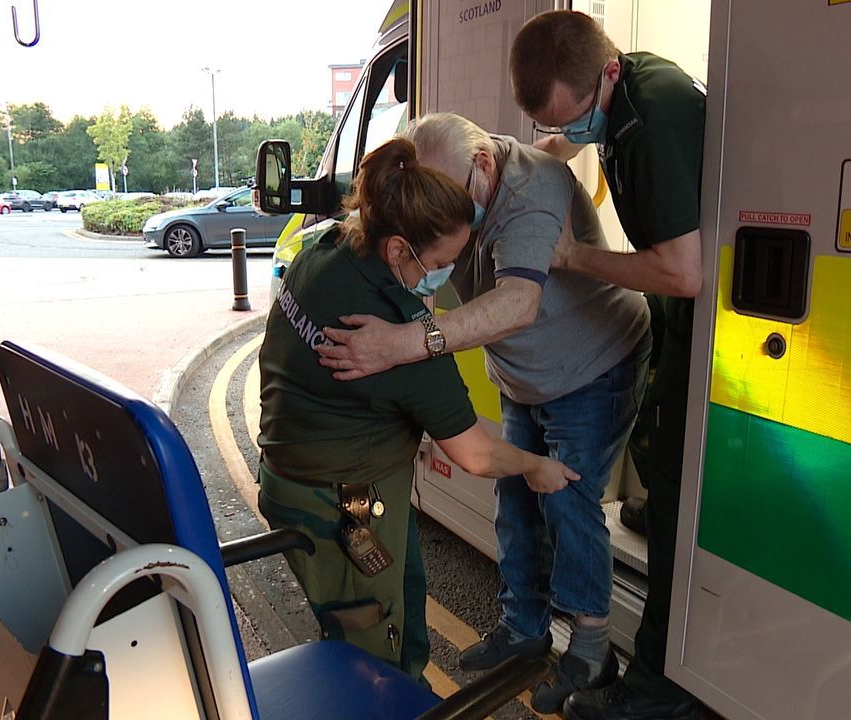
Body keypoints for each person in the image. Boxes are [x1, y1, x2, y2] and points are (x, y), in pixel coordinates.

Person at [316, 112, 651, 714]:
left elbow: (519, 303)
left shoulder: (528, 192)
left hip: (592, 365)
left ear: (485, 166)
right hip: (527, 373)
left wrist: (403, 342)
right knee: (516, 500)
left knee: (569, 503)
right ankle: (524, 627)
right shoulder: (461, 176)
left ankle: (592, 651)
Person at [256, 137, 578, 682]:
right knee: (368, 654)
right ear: (400, 250)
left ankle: (408, 684)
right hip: (341, 505)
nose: (445, 279)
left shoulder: (330, 247)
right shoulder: (392, 339)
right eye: (442, 263)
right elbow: (476, 455)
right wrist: (536, 466)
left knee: (401, 605)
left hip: (292, 478)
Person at [509, 10, 706, 720]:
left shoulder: (652, 120)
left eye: (578, 117)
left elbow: (684, 273)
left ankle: (659, 694)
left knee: (680, 498)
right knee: (659, 478)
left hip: (700, 323)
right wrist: (535, 156)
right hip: (673, 326)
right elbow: (567, 131)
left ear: (609, 75)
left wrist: (569, 257)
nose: (574, 132)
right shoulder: (619, 90)